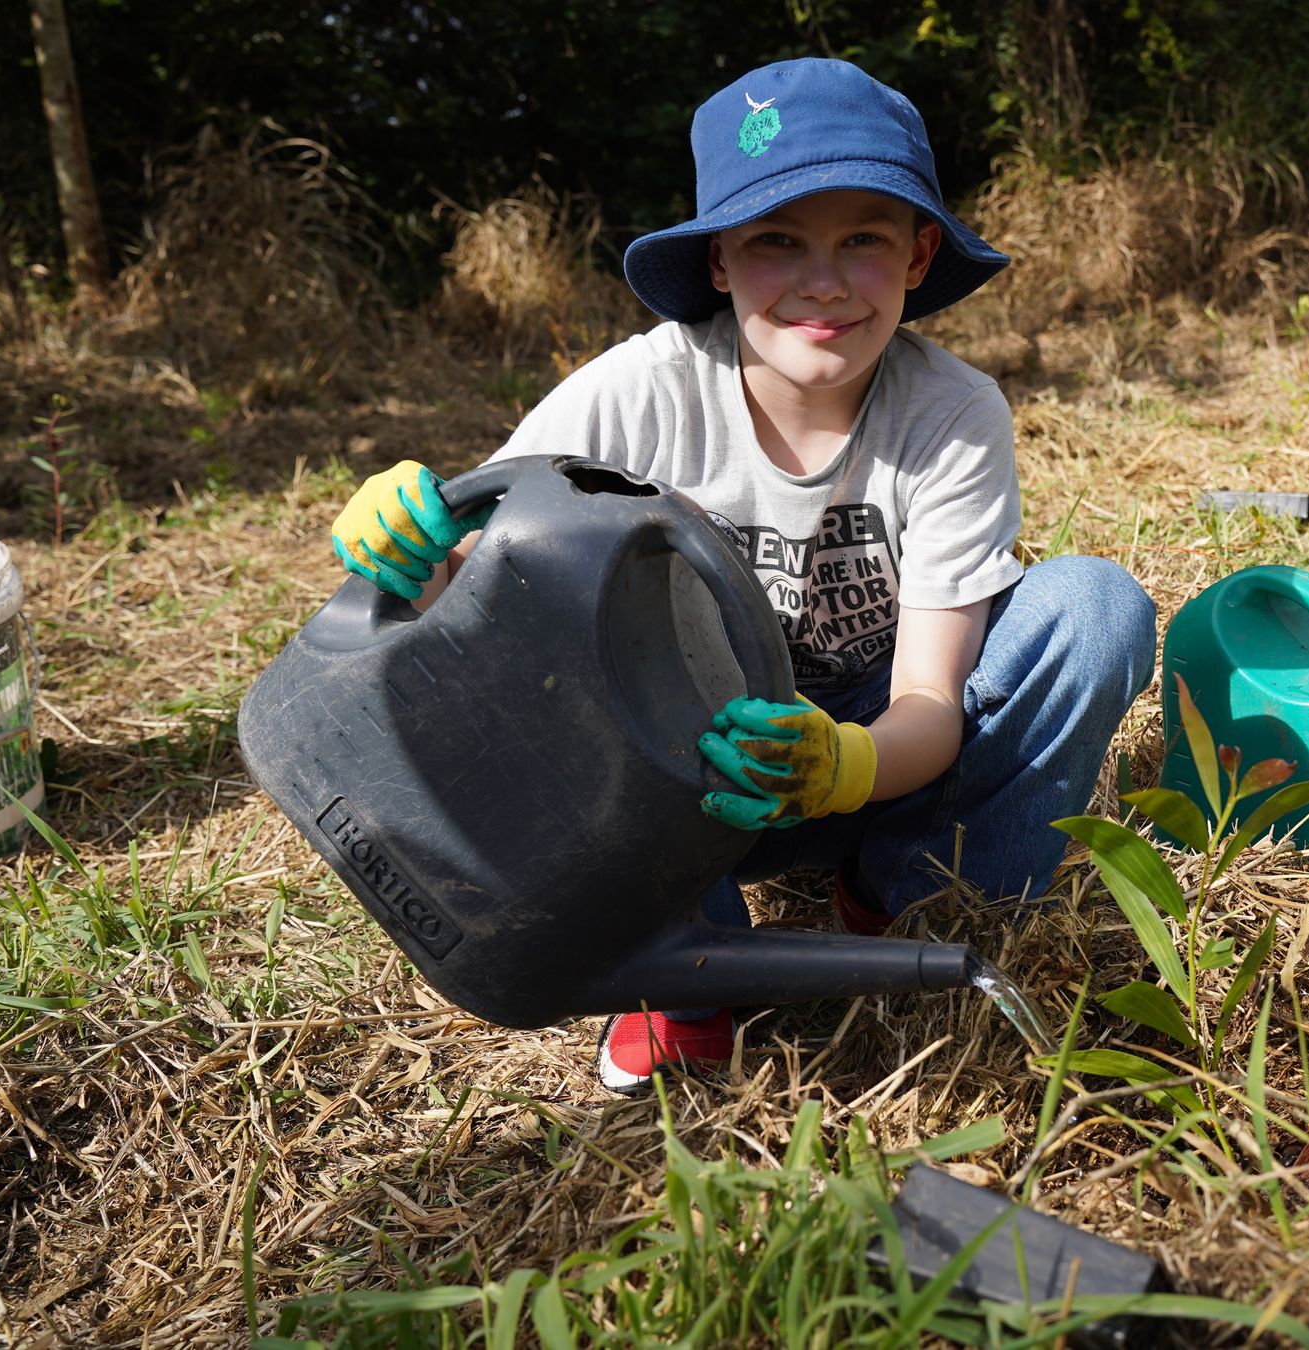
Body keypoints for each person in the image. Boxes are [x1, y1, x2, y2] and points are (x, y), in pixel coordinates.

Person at [324, 58, 1155, 1092]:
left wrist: (845, 766)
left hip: (872, 759)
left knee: (1094, 608)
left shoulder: (949, 413)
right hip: (686, 783)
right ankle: (685, 979)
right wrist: (409, 545)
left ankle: (913, 898)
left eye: (864, 239)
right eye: (778, 241)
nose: (824, 281)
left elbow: (931, 701)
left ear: (918, 253)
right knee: (550, 681)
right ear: (719, 260)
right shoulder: (638, 394)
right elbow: (476, 594)